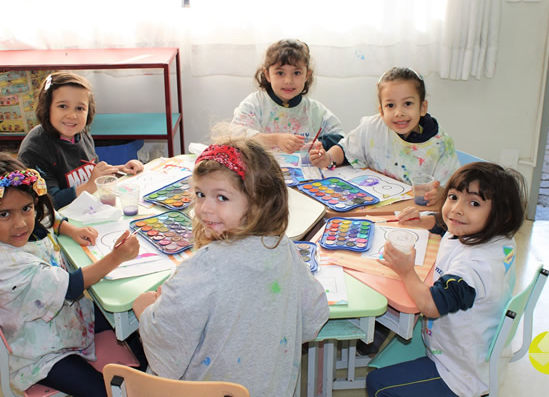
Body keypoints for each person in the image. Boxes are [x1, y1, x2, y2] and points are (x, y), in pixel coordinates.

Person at [132, 136, 329, 396]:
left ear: (259, 204)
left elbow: (168, 350)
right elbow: (313, 316)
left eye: (221, 197)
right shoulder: (283, 248)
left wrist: (146, 310)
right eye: (200, 194)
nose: (204, 208)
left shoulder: (205, 265)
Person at [366, 162, 527, 397]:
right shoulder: (498, 239)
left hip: (459, 373)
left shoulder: (474, 269)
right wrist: (425, 220)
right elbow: (449, 228)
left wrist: (406, 272)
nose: (456, 210)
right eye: (453, 197)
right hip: (473, 351)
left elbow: (431, 306)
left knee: (378, 384)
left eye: (474, 203)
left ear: (503, 214)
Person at [0, 153, 140, 397]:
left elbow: (46, 217)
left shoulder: (25, 225)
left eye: (26, 208)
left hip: (69, 321)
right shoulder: (6, 263)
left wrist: (69, 229)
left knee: (136, 334)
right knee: (103, 391)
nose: (21, 223)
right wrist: (116, 258)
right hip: (39, 352)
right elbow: (71, 286)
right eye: (4, 214)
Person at [310, 67, 461, 207]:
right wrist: (328, 158)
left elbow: (453, 192)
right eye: (390, 105)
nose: (398, 113)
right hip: (373, 208)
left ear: (422, 107)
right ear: (381, 110)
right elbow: (345, 148)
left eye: (407, 103)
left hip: (417, 213)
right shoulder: (372, 127)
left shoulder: (440, 145)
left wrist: (441, 194)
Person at [18, 72, 144, 209]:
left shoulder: (81, 134)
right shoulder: (34, 150)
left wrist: (120, 169)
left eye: (80, 108)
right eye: (62, 106)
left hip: (87, 210)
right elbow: (49, 202)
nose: (72, 115)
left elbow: (91, 172)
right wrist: (90, 186)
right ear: (47, 107)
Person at [231, 39, 345, 154]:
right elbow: (235, 137)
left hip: (306, 170)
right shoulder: (255, 104)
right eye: (280, 73)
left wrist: (322, 144)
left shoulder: (315, 110)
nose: (288, 81)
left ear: (307, 75)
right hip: (262, 170)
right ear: (267, 75)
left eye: (296, 73)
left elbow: (342, 139)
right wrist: (275, 140)